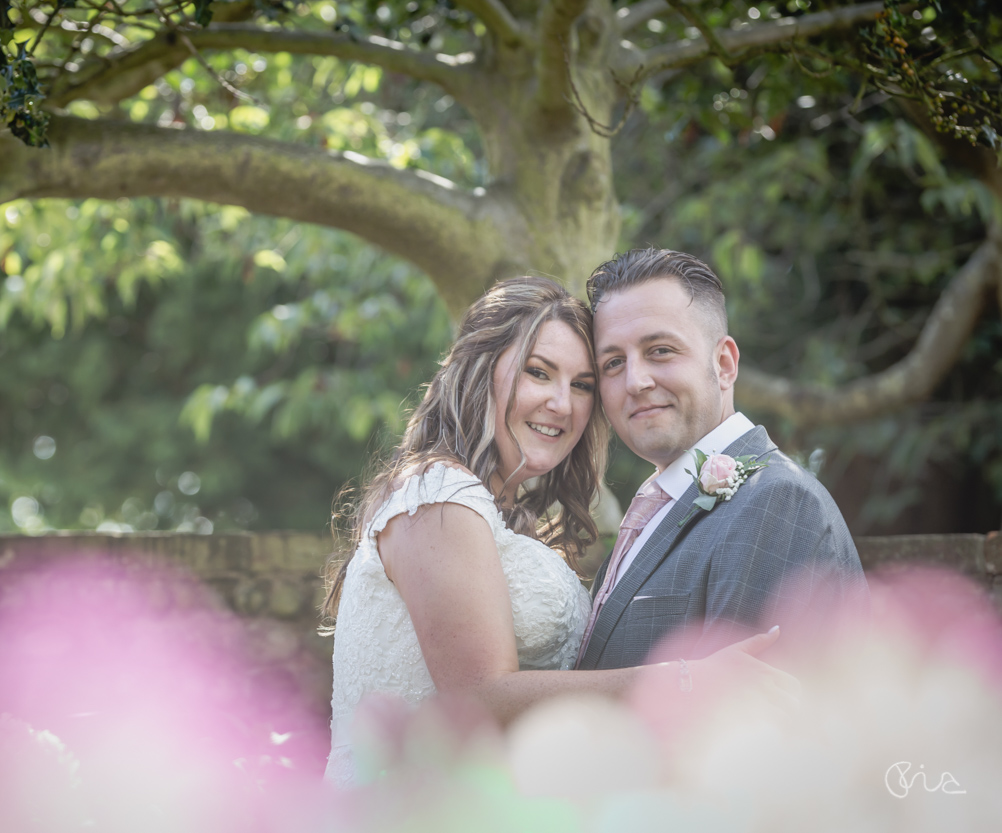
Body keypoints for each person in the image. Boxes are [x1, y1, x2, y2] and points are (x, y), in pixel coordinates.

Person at [322, 276, 795, 788]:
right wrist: (684, 680)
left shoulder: (489, 512)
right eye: (539, 373)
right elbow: (477, 695)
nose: (562, 404)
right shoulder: (438, 495)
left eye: (582, 385)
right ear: (480, 372)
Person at [578, 249, 869, 672]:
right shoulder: (655, 507)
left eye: (660, 350)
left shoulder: (776, 501)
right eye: (613, 362)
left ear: (725, 364)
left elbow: (739, 724)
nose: (635, 381)